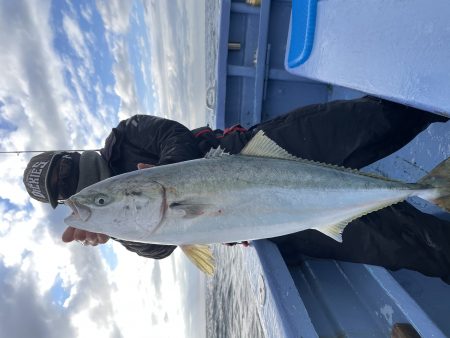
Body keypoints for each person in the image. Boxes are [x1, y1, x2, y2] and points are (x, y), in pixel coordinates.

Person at [23, 96, 450, 282]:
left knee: (377, 118)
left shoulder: (127, 134)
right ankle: (431, 190)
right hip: (270, 219)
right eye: (62, 191)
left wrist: (169, 178)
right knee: (414, 246)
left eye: (62, 170)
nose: (71, 184)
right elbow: (159, 247)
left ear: (70, 154)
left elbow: (176, 137)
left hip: (258, 153)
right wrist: (109, 227)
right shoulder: (120, 217)